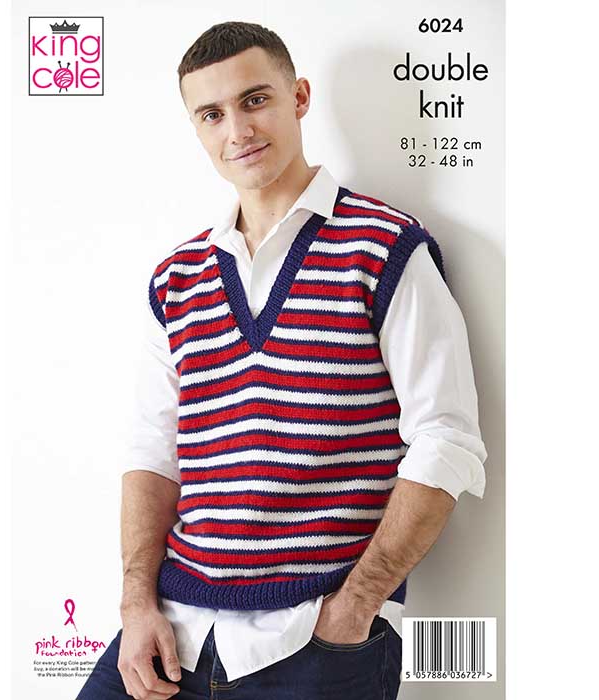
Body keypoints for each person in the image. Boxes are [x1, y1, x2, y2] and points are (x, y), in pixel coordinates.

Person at [76, 20, 487, 700]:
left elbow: (447, 438)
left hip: (314, 638)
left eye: (255, 100)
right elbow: (153, 450)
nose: (237, 130)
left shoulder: (385, 249)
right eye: (211, 114)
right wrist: (135, 603)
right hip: (174, 628)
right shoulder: (177, 278)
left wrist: (358, 605)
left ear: (298, 97)